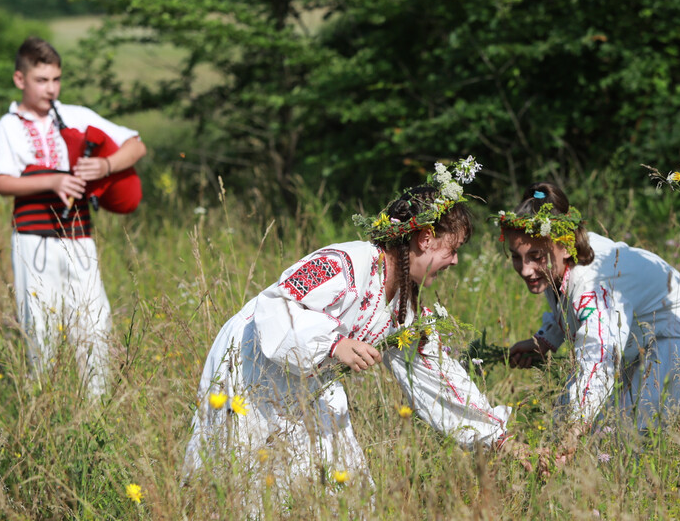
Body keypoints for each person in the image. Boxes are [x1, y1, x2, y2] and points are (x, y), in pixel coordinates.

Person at [182, 157, 508, 492]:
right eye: (452, 250)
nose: (454, 261)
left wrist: (498, 438)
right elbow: (277, 303)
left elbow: (439, 378)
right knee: (242, 475)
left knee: (340, 486)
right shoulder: (343, 263)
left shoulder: (404, 309)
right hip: (253, 364)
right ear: (425, 239)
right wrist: (335, 345)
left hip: (309, 382)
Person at [0, 37, 147, 398]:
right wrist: (54, 179)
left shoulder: (76, 115)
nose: (51, 89)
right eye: (41, 80)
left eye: (56, 79)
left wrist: (105, 164)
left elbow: (135, 144)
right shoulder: (9, 126)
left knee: (94, 323)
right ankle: (42, 405)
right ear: (20, 79)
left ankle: (96, 409)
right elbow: (2, 181)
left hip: (79, 236)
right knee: (41, 326)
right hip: (33, 238)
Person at [501, 183, 680, 440]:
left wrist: (574, 430)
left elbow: (599, 360)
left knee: (640, 430)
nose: (525, 270)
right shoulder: (555, 265)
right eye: (516, 257)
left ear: (566, 247)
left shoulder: (593, 283)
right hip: (631, 330)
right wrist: (544, 341)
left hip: (675, 324)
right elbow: (569, 306)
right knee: (576, 425)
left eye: (535, 256)